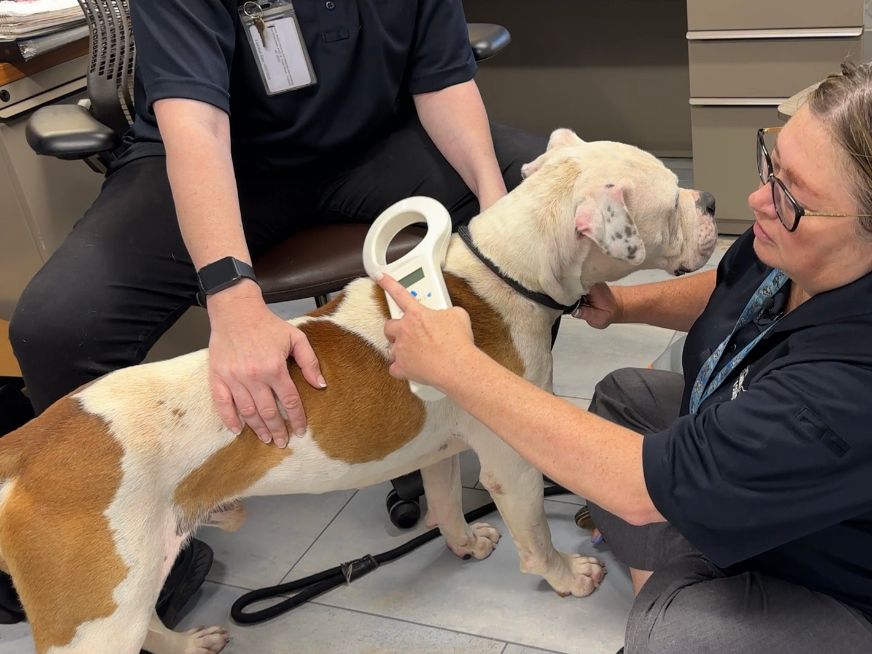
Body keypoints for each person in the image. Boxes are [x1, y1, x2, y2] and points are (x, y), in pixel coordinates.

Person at [376, 58, 872, 653]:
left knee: (676, 634)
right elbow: (739, 287)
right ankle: (703, 538)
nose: (759, 199)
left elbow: (635, 488)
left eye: (789, 193)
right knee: (621, 399)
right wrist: (630, 306)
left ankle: (691, 571)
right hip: (808, 488)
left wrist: (459, 369)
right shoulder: (802, 233)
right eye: (770, 164)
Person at [4, 0, 545, 626]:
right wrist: (234, 302)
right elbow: (196, 127)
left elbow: (443, 80)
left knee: (542, 221)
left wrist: (498, 209)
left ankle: (453, 425)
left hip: (372, 148)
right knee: (59, 326)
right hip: (224, 156)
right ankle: (138, 549)